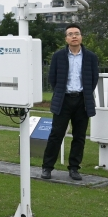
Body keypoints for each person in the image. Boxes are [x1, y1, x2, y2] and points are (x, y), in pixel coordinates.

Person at [42, 23, 100, 182]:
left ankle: (74, 168)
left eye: (77, 33)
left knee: (79, 137)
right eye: (70, 34)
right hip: (63, 100)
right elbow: (52, 78)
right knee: (56, 135)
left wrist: (84, 93)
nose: (74, 36)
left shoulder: (91, 57)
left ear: (81, 37)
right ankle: (47, 167)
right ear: (66, 38)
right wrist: (62, 92)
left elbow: (94, 79)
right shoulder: (58, 56)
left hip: (82, 101)